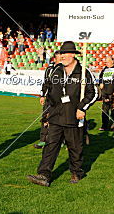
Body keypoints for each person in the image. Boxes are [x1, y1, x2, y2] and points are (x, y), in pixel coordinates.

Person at [27, 41, 98, 186]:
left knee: (75, 147)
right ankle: (44, 174)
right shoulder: (56, 70)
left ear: (73, 55)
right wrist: (48, 108)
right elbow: (49, 88)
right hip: (56, 115)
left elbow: (94, 92)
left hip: (74, 116)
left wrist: (82, 107)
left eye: (65, 53)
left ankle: (76, 172)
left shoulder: (83, 71)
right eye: (61, 53)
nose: (62, 56)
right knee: (50, 146)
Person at [35, 51, 62, 149]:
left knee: (58, 120)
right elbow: (45, 83)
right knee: (45, 118)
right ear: (55, 59)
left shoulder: (65, 69)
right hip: (49, 99)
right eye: (59, 59)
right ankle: (43, 140)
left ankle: (59, 140)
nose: (61, 61)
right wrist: (42, 95)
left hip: (60, 100)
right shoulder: (49, 69)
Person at [98, 55, 114, 131]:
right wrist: (101, 83)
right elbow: (100, 78)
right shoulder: (104, 69)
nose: (107, 63)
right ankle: (104, 126)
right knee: (105, 111)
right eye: (106, 62)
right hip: (105, 94)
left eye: (108, 61)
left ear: (113, 61)